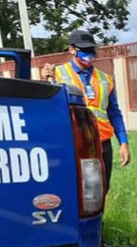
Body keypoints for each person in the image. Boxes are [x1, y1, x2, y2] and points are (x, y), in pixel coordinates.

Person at [42, 29, 130, 191]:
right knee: (75, 191)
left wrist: (123, 142)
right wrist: (46, 81)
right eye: (85, 50)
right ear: (72, 50)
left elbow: (114, 113)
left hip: (101, 144)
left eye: (92, 50)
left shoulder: (105, 79)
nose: (89, 54)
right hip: (72, 144)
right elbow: (49, 108)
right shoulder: (57, 74)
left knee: (100, 191)